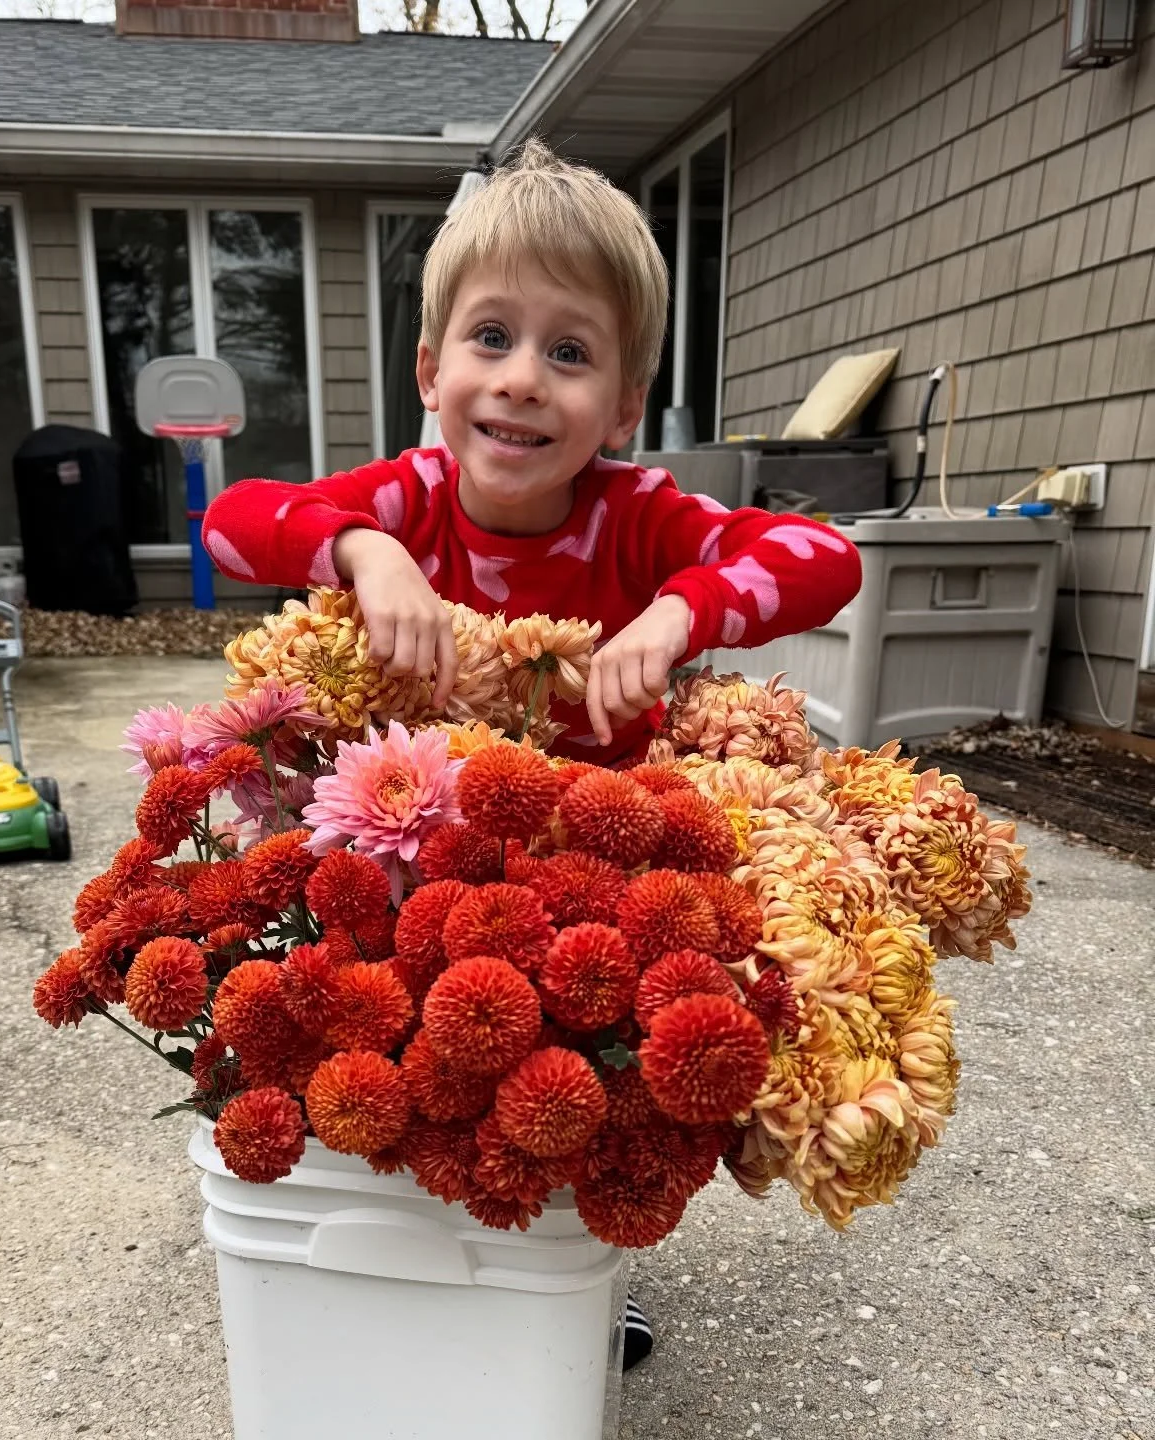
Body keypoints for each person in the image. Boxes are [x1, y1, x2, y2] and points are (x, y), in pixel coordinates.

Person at [202, 136, 862, 1362]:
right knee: (403, 1056)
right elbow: (234, 523)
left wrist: (679, 609)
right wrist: (363, 551)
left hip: (604, 875)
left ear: (622, 404)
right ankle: (415, 1258)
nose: (519, 382)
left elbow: (825, 559)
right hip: (411, 852)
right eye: (490, 339)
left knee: (595, 1075)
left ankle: (565, 1278)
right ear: (430, 367)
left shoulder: (642, 512)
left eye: (570, 353)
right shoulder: (404, 502)